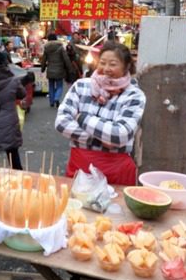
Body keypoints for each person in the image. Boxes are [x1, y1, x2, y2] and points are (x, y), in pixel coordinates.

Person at [54, 41, 146, 185]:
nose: (106, 68)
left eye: (113, 64)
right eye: (102, 62)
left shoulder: (134, 95)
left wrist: (81, 118)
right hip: (81, 166)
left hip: (116, 169)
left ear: (126, 66)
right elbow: (61, 124)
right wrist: (101, 140)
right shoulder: (81, 86)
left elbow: (119, 134)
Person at [0, 51, 27, 169]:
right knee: (14, 158)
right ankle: (19, 183)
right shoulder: (13, 80)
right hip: (10, 123)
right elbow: (22, 93)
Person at [41, 33, 73, 108]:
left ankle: (51, 102)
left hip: (50, 69)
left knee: (51, 86)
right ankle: (57, 98)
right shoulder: (61, 47)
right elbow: (66, 59)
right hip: (59, 69)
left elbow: (43, 59)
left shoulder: (46, 48)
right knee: (59, 86)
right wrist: (70, 68)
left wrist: (42, 68)